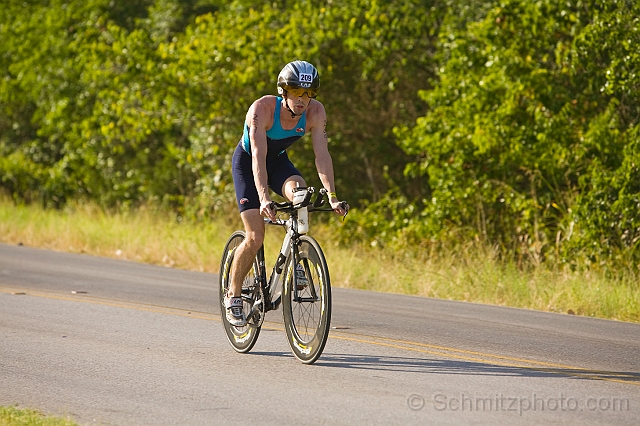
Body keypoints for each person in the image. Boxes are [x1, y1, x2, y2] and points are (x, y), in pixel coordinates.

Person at [226, 60, 348, 327]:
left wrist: (332, 195)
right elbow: (257, 157)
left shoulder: (316, 113)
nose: (303, 99)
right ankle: (233, 294)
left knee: (301, 194)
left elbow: (322, 155)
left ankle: (298, 260)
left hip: (278, 162)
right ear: (284, 91)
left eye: (309, 93)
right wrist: (264, 198)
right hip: (248, 164)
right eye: (297, 91)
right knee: (255, 236)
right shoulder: (262, 110)